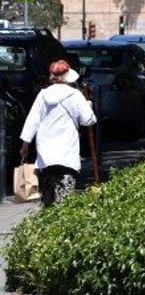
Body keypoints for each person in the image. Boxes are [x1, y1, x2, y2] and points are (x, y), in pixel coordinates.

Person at [19, 59, 97, 205]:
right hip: (66, 155)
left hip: (45, 156)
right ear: (67, 77)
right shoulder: (75, 95)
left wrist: (25, 144)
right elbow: (88, 120)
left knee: (47, 200)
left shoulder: (43, 95)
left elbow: (32, 120)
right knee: (65, 202)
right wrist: (89, 106)